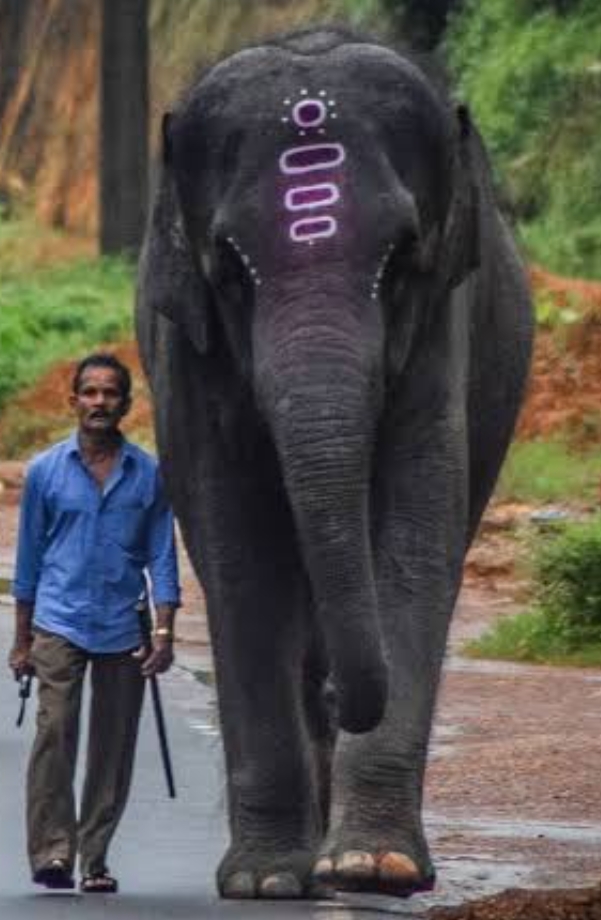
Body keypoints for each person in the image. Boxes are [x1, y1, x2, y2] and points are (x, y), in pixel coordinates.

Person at [8, 352, 181, 894]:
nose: (99, 402)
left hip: (122, 625)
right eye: (90, 392)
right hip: (58, 622)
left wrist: (164, 630)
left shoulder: (148, 475)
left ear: (126, 405)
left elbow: (162, 557)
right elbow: (29, 560)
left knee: (113, 745)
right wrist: (21, 641)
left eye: (110, 394)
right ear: (74, 401)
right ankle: (52, 852)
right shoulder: (44, 473)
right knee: (54, 732)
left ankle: (95, 857)